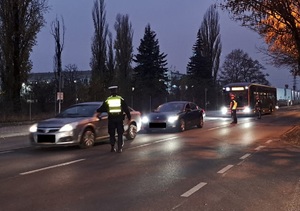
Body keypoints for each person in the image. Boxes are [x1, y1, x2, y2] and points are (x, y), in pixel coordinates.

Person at [97, 86, 131, 153]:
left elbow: (102, 108)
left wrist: (97, 112)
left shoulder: (108, 100)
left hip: (111, 119)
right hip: (119, 119)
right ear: (116, 91)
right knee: (120, 133)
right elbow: (126, 108)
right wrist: (129, 117)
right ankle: (120, 148)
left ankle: (112, 147)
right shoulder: (120, 99)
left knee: (112, 133)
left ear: (110, 92)